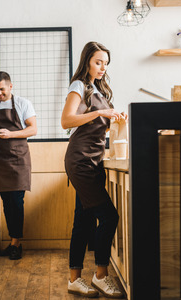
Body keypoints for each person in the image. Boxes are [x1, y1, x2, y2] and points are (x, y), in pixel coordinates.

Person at [61, 42, 127, 298]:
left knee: (84, 221)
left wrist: (114, 119)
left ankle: (74, 280)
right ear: (87, 60)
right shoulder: (79, 85)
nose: (103, 67)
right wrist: (101, 112)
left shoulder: (99, 89)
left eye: (106, 63)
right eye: (98, 62)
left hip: (94, 160)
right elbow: (66, 121)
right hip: (80, 161)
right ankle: (100, 276)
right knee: (109, 217)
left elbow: (96, 126)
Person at [0, 71, 37, 260]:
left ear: (10, 86)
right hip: (2, 159)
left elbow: (33, 129)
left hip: (19, 159)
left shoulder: (23, 104)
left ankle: (16, 244)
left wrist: (11, 134)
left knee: (16, 201)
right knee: (7, 203)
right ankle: (13, 243)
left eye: (2, 89)